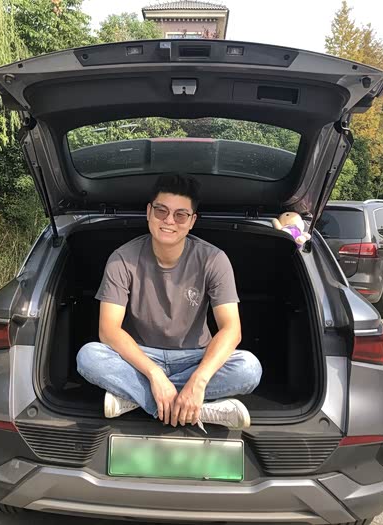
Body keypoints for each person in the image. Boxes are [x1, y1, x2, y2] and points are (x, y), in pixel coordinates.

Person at [76, 174, 262, 430]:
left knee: (249, 368)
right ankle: (200, 411)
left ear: (192, 221)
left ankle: (135, 399)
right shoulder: (122, 259)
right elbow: (108, 331)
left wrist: (198, 381)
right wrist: (154, 375)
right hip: (140, 357)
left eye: (180, 215)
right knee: (89, 357)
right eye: (161, 211)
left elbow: (231, 330)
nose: (169, 221)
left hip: (195, 357)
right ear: (149, 212)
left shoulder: (213, 259)